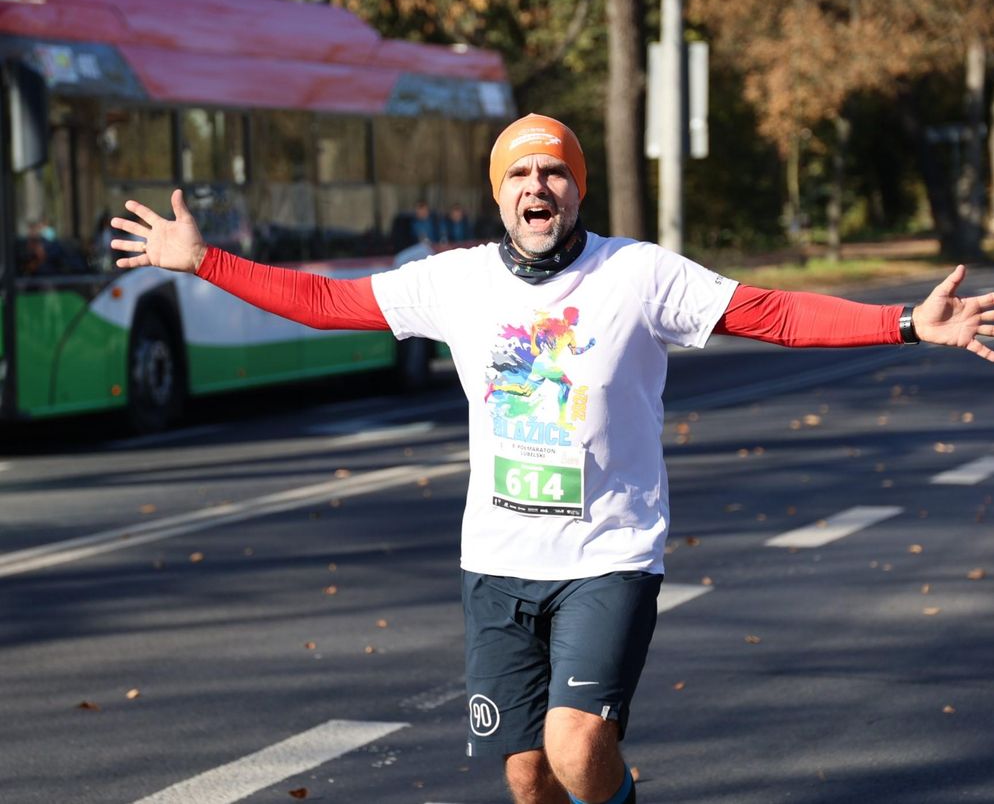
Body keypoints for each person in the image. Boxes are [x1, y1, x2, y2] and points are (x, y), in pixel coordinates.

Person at [110, 113, 994, 804]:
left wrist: (907, 323)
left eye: (556, 171)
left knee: (577, 748)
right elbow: (322, 300)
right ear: (500, 195)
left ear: (578, 190)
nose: (539, 185)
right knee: (527, 775)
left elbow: (772, 314)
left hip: (608, 555)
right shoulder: (452, 281)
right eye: (521, 173)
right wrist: (206, 262)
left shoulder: (638, 275)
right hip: (496, 564)